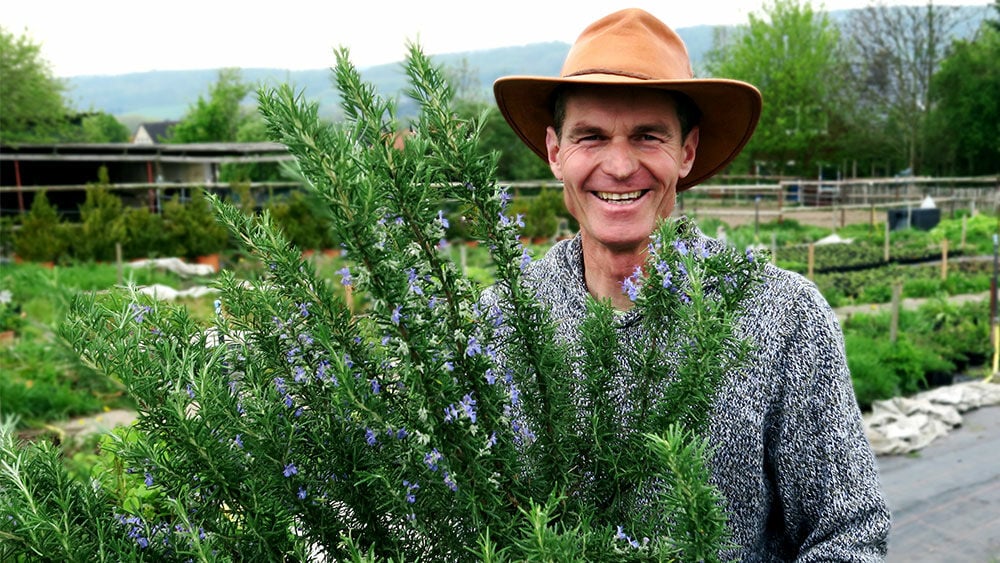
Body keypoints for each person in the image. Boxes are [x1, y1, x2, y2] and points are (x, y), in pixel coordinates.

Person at [490, 8, 891, 561]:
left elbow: (849, 531)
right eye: (591, 136)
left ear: (687, 151)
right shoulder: (500, 319)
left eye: (648, 136)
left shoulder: (782, 316)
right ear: (556, 152)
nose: (621, 164)